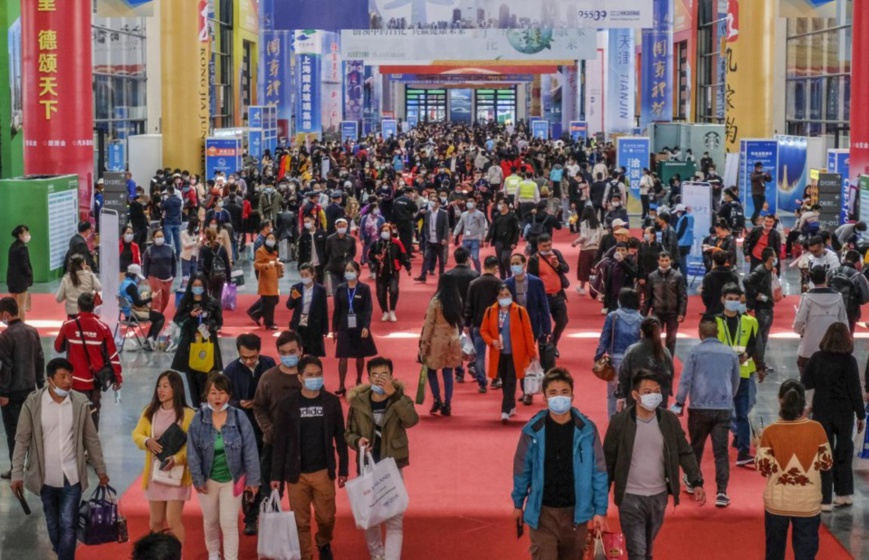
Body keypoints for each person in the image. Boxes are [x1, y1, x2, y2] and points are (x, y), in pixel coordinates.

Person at [10, 357, 110, 560]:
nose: (68, 381)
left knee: (68, 523)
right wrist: (16, 473)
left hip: (71, 476)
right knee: (53, 525)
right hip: (45, 477)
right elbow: (21, 440)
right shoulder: (33, 403)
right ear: (50, 380)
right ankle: (62, 551)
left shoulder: (79, 403)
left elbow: (91, 439)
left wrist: (101, 469)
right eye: (62, 376)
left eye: (70, 376)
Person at [604, 370, 706, 559]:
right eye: (647, 391)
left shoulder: (669, 420)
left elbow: (684, 451)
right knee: (638, 552)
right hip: (630, 497)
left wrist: (696, 480)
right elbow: (608, 461)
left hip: (659, 497)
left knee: (647, 550)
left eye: (657, 391)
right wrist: (600, 502)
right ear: (635, 395)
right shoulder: (620, 423)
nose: (653, 396)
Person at [511, 368, 608, 558]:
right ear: (545, 398)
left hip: (576, 514)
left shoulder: (587, 430)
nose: (559, 398)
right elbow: (522, 469)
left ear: (572, 395)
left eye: (564, 392)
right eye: (553, 393)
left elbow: (599, 472)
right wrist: (517, 503)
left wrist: (600, 510)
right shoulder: (532, 431)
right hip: (543, 514)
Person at [270, 356, 349, 560]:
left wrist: (344, 470)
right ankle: (306, 556)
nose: (315, 378)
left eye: (318, 374)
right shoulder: (288, 405)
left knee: (326, 517)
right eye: (310, 375)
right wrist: (275, 475)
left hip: (323, 471)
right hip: (297, 474)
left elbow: (340, 436)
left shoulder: (331, 403)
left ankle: (323, 541)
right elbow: (280, 442)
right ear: (300, 377)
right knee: (300, 522)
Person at [345, 356, 420, 560]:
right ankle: (377, 554)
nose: (379, 379)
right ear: (368, 377)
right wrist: (356, 441)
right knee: (371, 517)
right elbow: (348, 432)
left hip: (393, 466)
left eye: (384, 375)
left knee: (395, 519)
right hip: (368, 467)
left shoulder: (399, 398)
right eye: (375, 375)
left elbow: (412, 420)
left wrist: (394, 396)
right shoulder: (358, 402)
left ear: (391, 376)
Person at [187, 374, 261, 560]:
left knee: (228, 523)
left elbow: (250, 450)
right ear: (206, 395)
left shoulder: (239, 417)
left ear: (229, 395)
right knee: (211, 521)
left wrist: (253, 480)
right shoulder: (199, 419)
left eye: (221, 393)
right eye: (213, 393)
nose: (217, 397)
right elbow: (192, 452)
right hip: (207, 479)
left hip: (232, 479)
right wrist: (197, 478)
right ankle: (213, 552)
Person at [757, 380, 832, 560]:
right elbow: (826, 463)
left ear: (779, 400)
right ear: (803, 402)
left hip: (777, 503)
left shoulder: (770, 431)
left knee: (774, 551)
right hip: (807, 503)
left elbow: (763, 468)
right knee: (806, 552)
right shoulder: (817, 429)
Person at [672, 316, 741, 508]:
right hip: (722, 407)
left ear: (700, 333)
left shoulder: (695, 353)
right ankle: (721, 491)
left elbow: (686, 380)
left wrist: (679, 401)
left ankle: (695, 482)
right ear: (718, 333)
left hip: (699, 407)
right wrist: (729, 397)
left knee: (695, 447)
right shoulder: (729, 353)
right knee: (721, 452)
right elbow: (736, 381)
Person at [801, 323, 865, 511]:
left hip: (822, 410)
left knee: (823, 453)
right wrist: (861, 415)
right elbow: (855, 390)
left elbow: (806, 382)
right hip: (845, 412)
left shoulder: (817, 358)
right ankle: (843, 495)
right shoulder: (850, 361)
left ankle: (824, 499)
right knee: (844, 451)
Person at [131, 371, 195, 542]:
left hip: (177, 475)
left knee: (173, 521)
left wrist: (176, 459)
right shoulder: (150, 412)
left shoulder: (188, 415)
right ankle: (158, 554)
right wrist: (146, 441)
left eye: (166, 386)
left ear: (176, 389)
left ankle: (177, 556)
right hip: (155, 475)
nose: (161, 390)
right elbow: (136, 434)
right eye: (159, 386)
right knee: (155, 522)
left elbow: (193, 446)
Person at [222, 334, 276, 534]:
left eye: (252, 357)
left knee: (268, 471)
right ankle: (250, 518)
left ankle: (270, 513)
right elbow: (223, 398)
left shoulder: (269, 364)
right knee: (250, 475)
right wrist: (239, 404)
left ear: (259, 352)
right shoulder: (231, 370)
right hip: (244, 428)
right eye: (244, 357)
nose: (249, 361)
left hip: (268, 427)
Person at [53, 293, 122, 430]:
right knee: (92, 417)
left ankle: (77, 448)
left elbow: (58, 347)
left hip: (74, 383)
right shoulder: (102, 328)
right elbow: (113, 355)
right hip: (94, 382)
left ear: (78, 307)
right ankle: (90, 447)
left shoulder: (68, 326)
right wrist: (118, 378)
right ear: (93, 307)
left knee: (74, 419)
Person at [252, 330, 303, 497]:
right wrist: (269, 429)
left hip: (302, 445)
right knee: (270, 495)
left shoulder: (308, 377)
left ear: (300, 350)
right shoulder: (268, 377)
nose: (288, 356)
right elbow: (259, 406)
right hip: (273, 444)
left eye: (292, 352)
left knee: (302, 494)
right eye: (283, 353)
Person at [0, 297, 44, 479]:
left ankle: (16, 469)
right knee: (32, 430)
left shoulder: (5, 337)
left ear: (5, 314)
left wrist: (2, 391)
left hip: (11, 392)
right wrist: (41, 384)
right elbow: (40, 358)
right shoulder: (32, 331)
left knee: (14, 433)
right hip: (30, 389)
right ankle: (35, 467)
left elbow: (6, 366)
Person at [481, 285, 537, 422]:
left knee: (511, 380)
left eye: (507, 295)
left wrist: (532, 353)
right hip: (499, 354)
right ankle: (511, 404)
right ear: (497, 297)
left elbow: (528, 333)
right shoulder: (490, 311)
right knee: (505, 381)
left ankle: (505, 410)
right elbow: (483, 330)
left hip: (516, 354)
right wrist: (492, 341)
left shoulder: (520, 311)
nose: (504, 297)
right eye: (502, 295)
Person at [171, 274, 224, 407]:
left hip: (208, 345)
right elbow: (177, 320)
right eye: (195, 285)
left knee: (208, 377)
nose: (197, 288)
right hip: (189, 346)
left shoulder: (212, 302)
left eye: (200, 285)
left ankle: (208, 404)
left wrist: (209, 325)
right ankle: (196, 406)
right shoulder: (186, 302)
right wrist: (190, 315)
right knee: (192, 377)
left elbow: (219, 322)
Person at [594, 288, 643, 418]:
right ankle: (629, 418)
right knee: (631, 391)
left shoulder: (613, 316)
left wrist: (599, 354)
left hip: (615, 358)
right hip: (635, 360)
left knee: (612, 394)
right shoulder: (642, 319)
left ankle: (613, 419)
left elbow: (605, 337)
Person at [419, 275, 463, 417]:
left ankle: (437, 398)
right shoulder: (457, 300)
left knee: (432, 370)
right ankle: (448, 403)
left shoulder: (436, 302)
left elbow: (429, 324)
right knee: (448, 372)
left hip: (437, 340)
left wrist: (423, 344)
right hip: (453, 340)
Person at [332, 261, 377, 395]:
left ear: (358, 272)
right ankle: (341, 385)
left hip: (359, 325)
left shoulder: (364, 288)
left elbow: (368, 308)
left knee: (359, 355)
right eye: (347, 270)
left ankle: (359, 380)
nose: (349, 272)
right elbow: (337, 310)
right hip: (344, 326)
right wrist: (334, 330)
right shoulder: (340, 288)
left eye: (351, 270)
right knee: (343, 356)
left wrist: (366, 326)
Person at [793, 266, 848, 376]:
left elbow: (799, 321)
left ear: (812, 280)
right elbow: (844, 321)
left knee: (807, 378)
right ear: (826, 278)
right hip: (833, 346)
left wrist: (799, 331)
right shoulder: (838, 297)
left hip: (810, 345)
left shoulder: (807, 297)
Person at [617, 317, 675, 412]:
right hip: (659, 399)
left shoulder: (632, 350)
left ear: (641, 332)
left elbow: (624, 374)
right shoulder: (665, 352)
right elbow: (670, 374)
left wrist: (622, 395)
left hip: (636, 397)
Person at [464, 256, 503, 393]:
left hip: (478, 324)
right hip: (496, 324)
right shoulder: (500, 284)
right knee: (496, 353)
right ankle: (496, 378)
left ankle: (482, 383)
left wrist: (467, 322)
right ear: (494, 268)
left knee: (479, 355)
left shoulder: (474, 284)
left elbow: (469, 305)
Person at [528, 234, 570, 350]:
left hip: (558, 295)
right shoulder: (534, 259)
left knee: (562, 321)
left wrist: (558, 265)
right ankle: (544, 348)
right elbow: (531, 280)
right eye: (544, 246)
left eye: (549, 245)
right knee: (542, 326)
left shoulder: (556, 253)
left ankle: (553, 343)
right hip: (543, 298)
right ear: (538, 246)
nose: (547, 248)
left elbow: (566, 268)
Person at [640, 252, 686, 357]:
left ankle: (669, 360)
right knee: (655, 338)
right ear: (658, 261)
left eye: (666, 260)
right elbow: (648, 297)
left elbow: (682, 296)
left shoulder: (678, 276)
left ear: (670, 261)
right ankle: (655, 359)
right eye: (662, 260)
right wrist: (643, 314)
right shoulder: (652, 276)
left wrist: (681, 313)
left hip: (673, 313)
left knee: (671, 339)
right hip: (657, 312)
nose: (664, 263)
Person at [368, 223, 412, 322]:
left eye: (387, 231)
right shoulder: (376, 243)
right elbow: (369, 254)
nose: (385, 233)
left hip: (393, 272)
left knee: (394, 290)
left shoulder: (397, 243)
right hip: (380, 272)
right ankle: (385, 311)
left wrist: (408, 267)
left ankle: (392, 310)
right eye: (383, 231)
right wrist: (375, 257)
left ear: (391, 232)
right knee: (380, 293)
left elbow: (403, 255)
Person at [744, 247, 778, 372]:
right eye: (774, 255)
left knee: (763, 337)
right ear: (770, 258)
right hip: (763, 308)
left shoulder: (768, 271)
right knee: (761, 337)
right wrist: (757, 294)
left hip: (767, 306)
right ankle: (759, 364)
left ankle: (760, 363)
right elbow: (746, 281)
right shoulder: (760, 271)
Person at [119, 264, 167, 350]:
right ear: (134, 275)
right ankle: (150, 340)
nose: (139, 279)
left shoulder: (124, 283)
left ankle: (148, 340)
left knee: (155, 316)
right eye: (138, 276)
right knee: (160, 317)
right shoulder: (132, 286)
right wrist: (151, 298)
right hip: (133, 313)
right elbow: (138, 303)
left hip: (127, 312)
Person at [287, 264, 329, 357]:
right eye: (302, 275)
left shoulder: (320, 289)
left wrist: (325, 329)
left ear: (312, 275)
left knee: (313, 353)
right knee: (299, 351)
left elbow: (324, 309)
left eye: (306, 275)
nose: (304, 277)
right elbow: (289, 306)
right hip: (299, 323)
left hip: (314, 324)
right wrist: (292, 299)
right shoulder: (296, 288)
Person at [827, 250, 869, 334]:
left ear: (845, 260)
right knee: (847, 338)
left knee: (831, 335)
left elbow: (826, 287)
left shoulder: (832, 272)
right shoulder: (858, 276)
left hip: (831, 310)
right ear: (857, 263)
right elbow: (865, 298)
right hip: (850, 314)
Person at [415, 193, 450, 282]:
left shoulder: (444, 213)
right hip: (429, 239)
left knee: (441, 259)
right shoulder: (427, 213)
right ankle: (423, 275)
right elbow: (426, 225)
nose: (433, 202)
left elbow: (446, 226)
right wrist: (426, 235)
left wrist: (444, 238)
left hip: (439, 239)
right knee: (426, 257)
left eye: (435, 201)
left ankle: (441, 275)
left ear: (439, 203)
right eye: (432, 200)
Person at [55, 253, 101, 320]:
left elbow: (58, 299)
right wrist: (91, 272)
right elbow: (99, 287)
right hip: (87, 313)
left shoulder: (66, 278)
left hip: (72, 314)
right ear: (82, 264)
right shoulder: (89, 275)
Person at [143, 229, 178, 315]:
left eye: (161, 236)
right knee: (157, 298)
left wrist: (174, 274)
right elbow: (146, 265)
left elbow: (174, 261)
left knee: (166, 299)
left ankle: (159, 314)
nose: (160, 238)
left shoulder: (169, 248)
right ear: (153, 238)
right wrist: (145, 277)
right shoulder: (149, 250)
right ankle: (156, 316)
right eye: (157, 236)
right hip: (154, 277)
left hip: (168, 278)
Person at [254, 231, 284, 331]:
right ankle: (269, 323)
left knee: (274, 300)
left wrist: (277, 264)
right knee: (270, 302)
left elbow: (274, 262)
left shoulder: (274, 250)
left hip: (273, 279)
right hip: (266, 280)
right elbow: (256, 265)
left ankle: (257, 314)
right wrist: (267, 265)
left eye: (273, 239)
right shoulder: (261, 251)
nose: (271, 240)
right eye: (269, 238)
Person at [571, 205, 602, 295]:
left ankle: (582, 288)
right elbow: (602, 236)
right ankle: (597, 288)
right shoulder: (599, 224)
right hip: (596, 249)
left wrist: (575, 242)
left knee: (583, 269)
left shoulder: (584, 223)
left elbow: (584, 236)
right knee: (596, 269)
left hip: (586, 249)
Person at [487, 197, 521, 279]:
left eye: (501, 203)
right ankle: (502, 277)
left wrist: (514, 242)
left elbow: (516, 230)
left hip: (508, 241)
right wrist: (487, 239)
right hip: (498, 241)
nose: (500, 205)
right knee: (499, 260)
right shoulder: (496, 215)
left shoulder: (512, 216)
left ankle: (509, 273)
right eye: (499, 203)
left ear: (506, 205)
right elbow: (492, 227)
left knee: (505, 258)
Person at [452, 196, 488, 273]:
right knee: (465, 258)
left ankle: (478, 272)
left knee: (475, 258)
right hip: (465, 239)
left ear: (475, 203)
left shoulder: (480, 214)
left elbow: (482, 226)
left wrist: (482, 238)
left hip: (475, 239)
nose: (469, 203)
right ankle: (467, 273)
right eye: (468, 201)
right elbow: (459, 225)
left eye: (471, 201)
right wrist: (455, 234)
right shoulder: (464, 214)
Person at [700, 250, 740, 315]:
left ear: (714, 261)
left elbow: (705, 294)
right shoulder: (733, 276)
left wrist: (709, 305)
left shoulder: (708, 277)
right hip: (729, 309)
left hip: (712, 309)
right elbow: (737, 292)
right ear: (726, 261)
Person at [324, 218, 357, 296]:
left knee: (347, 287)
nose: (342, 228)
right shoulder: (330, 239)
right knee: (336, 289)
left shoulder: (351, 239)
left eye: (343, 226)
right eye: (340, 226)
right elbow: (327, 252)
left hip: (347, 267)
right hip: (334, 266)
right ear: (336, 227)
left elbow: (353, 252)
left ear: (346, 226)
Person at [7, 225, 33, 320]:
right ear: (20, 234)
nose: (28, 235)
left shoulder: (12, 246)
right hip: (21, 281)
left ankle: (13, 323)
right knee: (21, 305)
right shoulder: (22, 248)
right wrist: (29, 275)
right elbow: (24, 265)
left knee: (14, 306)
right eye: (26, 233)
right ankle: (21, 324)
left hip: (11, 280)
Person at [199, 227, 231, 300]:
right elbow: (227, 265)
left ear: (206, 236)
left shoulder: (203, 249)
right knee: (217, 296)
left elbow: (201, 264)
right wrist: (229, 280)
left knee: (207, 296)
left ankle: (208, 310)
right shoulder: (222, 248)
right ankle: (217, 309)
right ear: (216, 235)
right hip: (220, 276)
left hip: (208, 276)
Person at [298, 214, 328, 284]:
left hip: (320, 265)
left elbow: (326, 250)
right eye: (305, 222)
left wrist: (326, 264)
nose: (306, 223)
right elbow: (301, 252)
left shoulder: (322, 234)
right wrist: (300, 266)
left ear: (313, 221)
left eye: (308, 221)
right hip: (308, 265)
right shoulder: (303, 236)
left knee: (320, 284)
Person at [673, 204, 694, 273]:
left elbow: (681, 231)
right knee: (682, 262)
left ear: (680, 211)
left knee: (680, 263)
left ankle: (684, 281)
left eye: (677, 212)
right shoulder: (690, 217)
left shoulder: (684, 218)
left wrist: (675, 239)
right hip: (688, 243)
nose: (676, 214)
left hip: (681, 243)